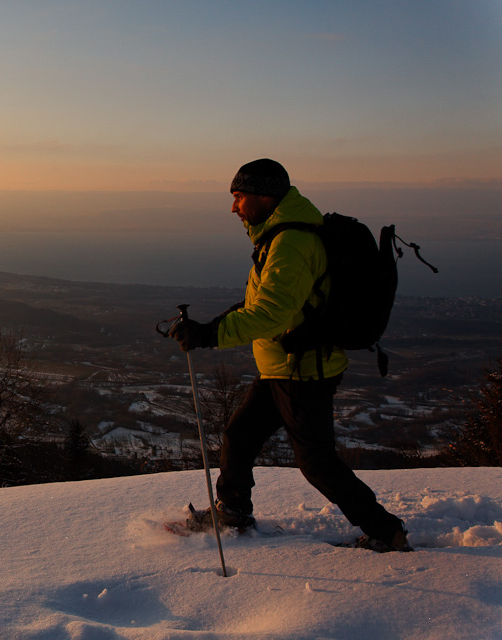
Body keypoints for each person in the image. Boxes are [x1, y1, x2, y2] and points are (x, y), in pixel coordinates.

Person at [169, 158, 411, 552]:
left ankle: (387, 532)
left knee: (317, 464)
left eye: (239, 196)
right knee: (239, 436)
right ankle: (232, 511)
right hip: (284, 367)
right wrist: (208, 327)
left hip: (303, 373)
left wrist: (210, 335)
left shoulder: (292, 243)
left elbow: (271, 314)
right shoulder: (278, 237)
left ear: (265, 195)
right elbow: (263, 303)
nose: (234, 207)